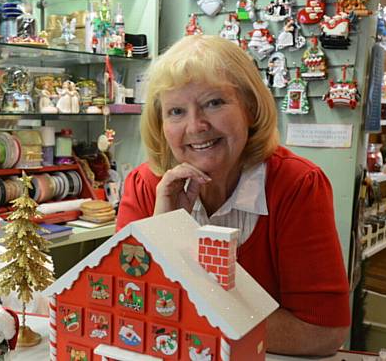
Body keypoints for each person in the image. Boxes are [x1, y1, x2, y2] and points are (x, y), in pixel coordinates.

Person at [116, 35, 350, 356]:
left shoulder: (296, 184)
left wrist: (182, 314)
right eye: (176, 112)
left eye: (214, 103)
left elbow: (321, 332)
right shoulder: (145, 185)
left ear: (250, 109)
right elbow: (123, 305)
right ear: (160, 124)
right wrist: (165, 230)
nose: (196, 126)